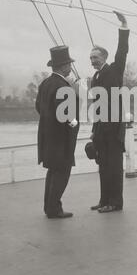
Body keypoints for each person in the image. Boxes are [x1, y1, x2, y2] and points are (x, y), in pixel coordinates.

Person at [90, 11, 130, 213]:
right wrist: (94, 130)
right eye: (91, 58)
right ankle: (104, 199)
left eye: (95, 57)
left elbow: (122, 51)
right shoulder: (95, 78)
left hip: (113, 130)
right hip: (100, 130)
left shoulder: (114, 70)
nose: (92, 61)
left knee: (114, 168)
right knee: (103, 166)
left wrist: (123, 26)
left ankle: (115, 203)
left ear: (104, 58)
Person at [36, 46, 79, 219]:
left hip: (47, 138)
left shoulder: (45, 84)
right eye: (69, 64)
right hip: (61, 141)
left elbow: (39, 107)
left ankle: (49, 207)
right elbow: (67, 116)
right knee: (62, 173)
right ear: (63, 66)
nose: (70, 67)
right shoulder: (63, 86)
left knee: (52, 172)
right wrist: (75, 123)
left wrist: (50, 121)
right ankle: (54, 209)